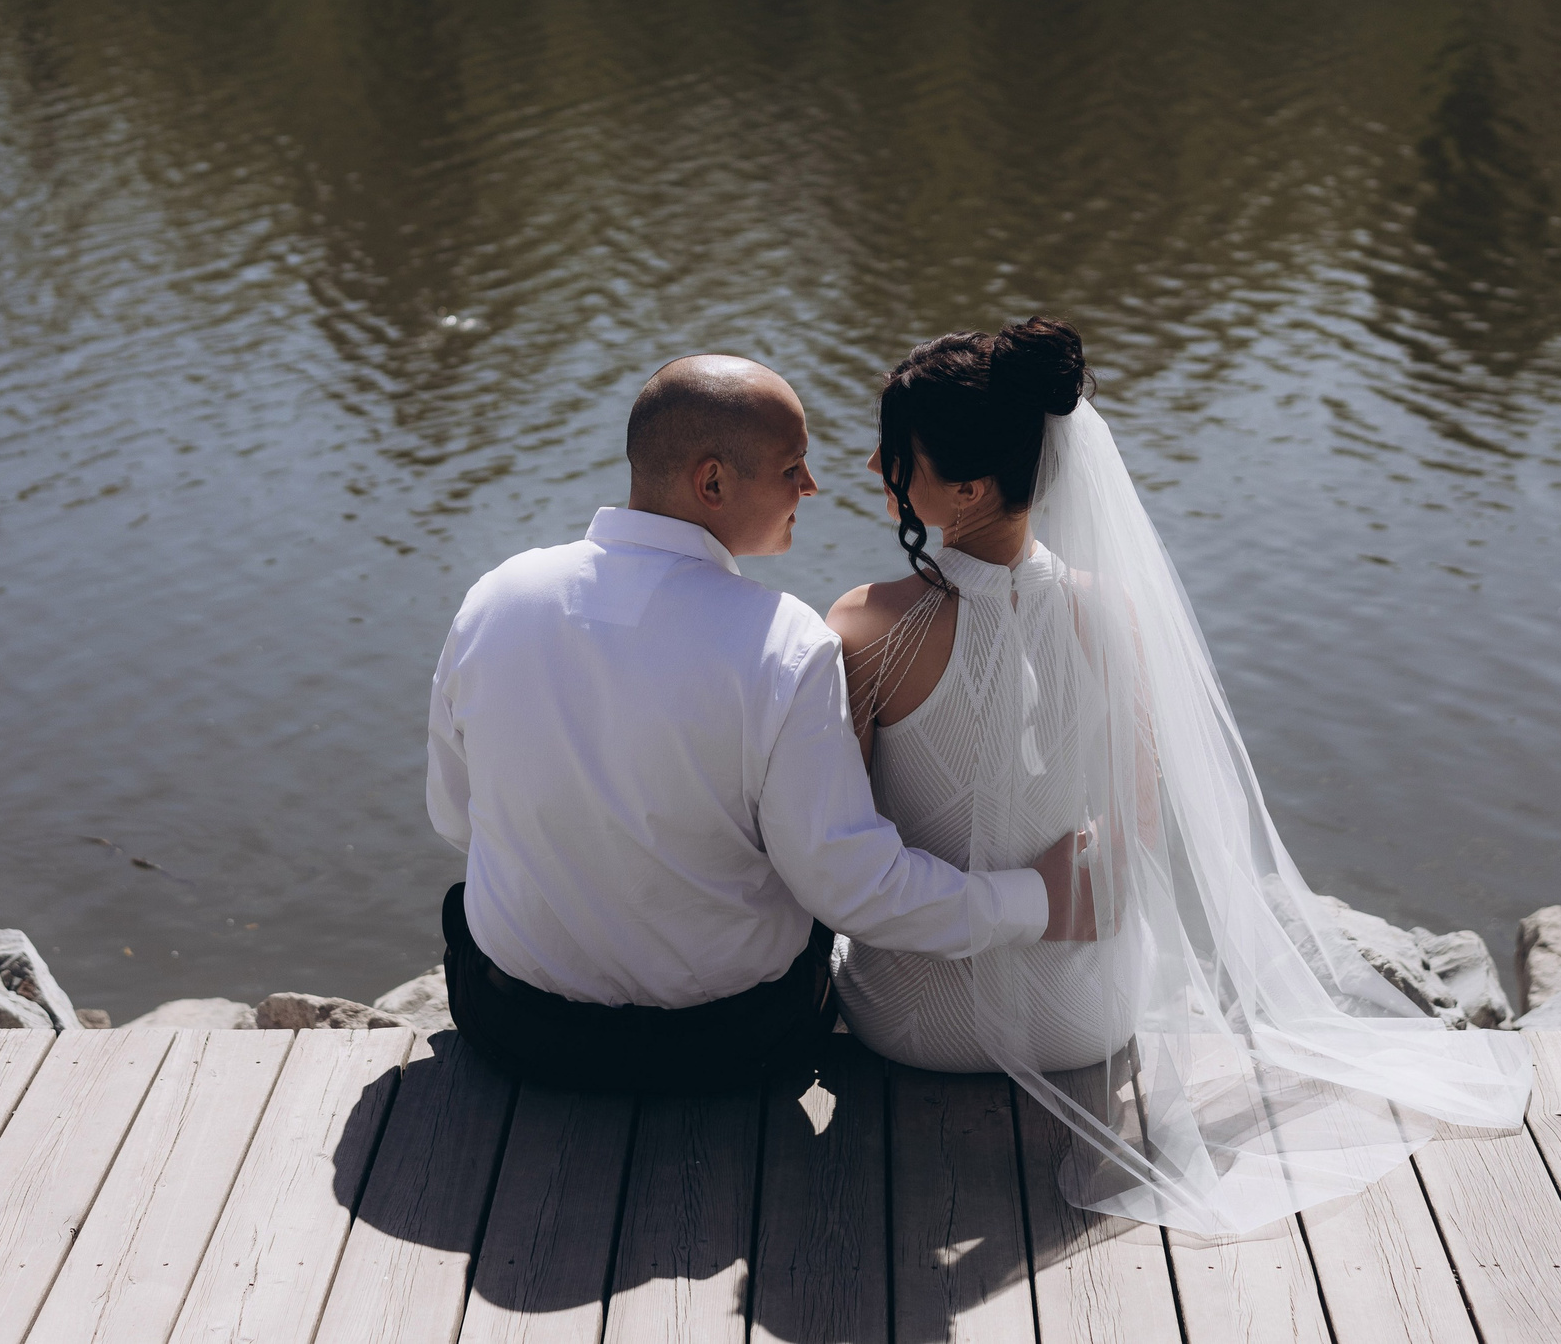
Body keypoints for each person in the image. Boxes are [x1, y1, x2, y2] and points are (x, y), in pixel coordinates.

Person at [828, 317, 1531, 1235]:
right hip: (1090, 1016)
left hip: (918, 1032)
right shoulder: (1109, 610)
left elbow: (839, 854)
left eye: (896, 452)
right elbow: (1140, 833)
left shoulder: (864, 626)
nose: (879, 465)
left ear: (964, 486)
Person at [425, 353, 1089, 1095]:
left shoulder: (492, 600)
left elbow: (455, 816)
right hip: (727, 1048)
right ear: (712, 481)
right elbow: (850, 888)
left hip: (514, 1029)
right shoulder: (783, 643)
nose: (812, 485)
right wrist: (1036, 899)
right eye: (792, 466)